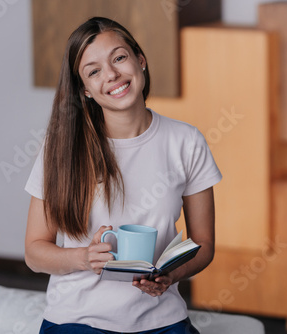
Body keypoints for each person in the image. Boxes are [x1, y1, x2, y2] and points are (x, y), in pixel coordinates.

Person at [24, 17, 222, 333]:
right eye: (94, 71)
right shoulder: (60, 146)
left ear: (140, 60)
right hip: (77, 319)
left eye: (119, 58)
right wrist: (84, 258)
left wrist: (172, 275)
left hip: (162, 318)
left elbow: (204, 244)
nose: (112, 74)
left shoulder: (186, 141)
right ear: (85, 90)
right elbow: (35, 252)